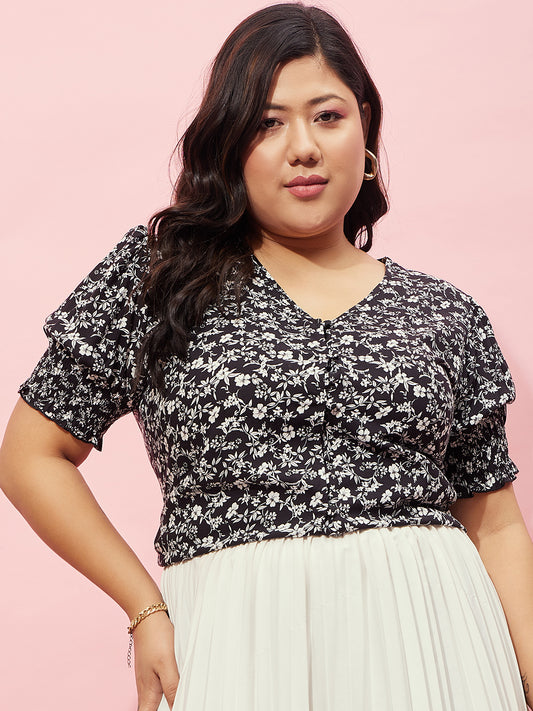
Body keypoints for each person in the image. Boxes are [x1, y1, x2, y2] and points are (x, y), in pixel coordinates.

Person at [1, 3, 532, 710]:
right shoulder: (159, 278)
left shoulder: (445, 312)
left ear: (366, 126)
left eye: (328, 116)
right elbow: (29, 455)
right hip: (236, 647)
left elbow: (493, 518)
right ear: (229, 143)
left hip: (437, 648)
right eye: (267, 122)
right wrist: (144, 607)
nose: (303, 147)